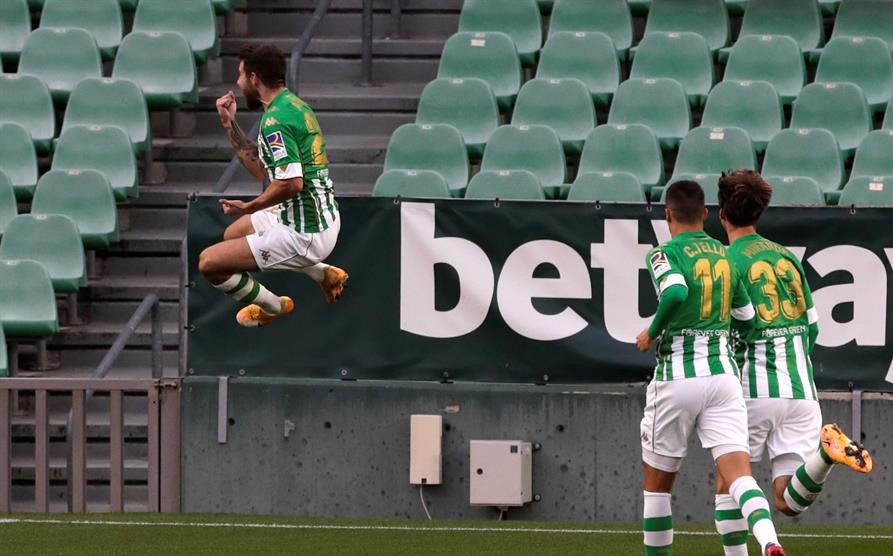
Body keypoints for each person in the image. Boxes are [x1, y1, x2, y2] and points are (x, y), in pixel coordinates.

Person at [713, 170, 872, 556]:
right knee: (786, 500)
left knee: (728, 483)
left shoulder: (726, 261)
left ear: (721, 214)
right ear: (759, 213)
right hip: (801, 391)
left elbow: (728, 330)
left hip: (753, 389)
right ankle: (825, 455)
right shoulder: (786, 258)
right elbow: (813, 328)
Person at [636, 180, 787, 556]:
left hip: (677, 377)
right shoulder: (725, 256)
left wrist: (651, 333)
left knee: (657, 490)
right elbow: (749, 318)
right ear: (705, 215)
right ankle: (769, 541)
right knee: (739, 475)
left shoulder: (663, 253)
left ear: (667, 214)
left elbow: (674, 291)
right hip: (723, 377)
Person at [198, 44, 348, 327]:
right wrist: (230, 124)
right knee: (233, 235)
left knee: (209, 263)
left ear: (254, 78)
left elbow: (291, 183)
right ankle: (321, 273)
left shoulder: (275, 122)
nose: (238, 83)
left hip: (306, 233)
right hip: (318, 214)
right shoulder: (292, 105)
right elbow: (259, 170)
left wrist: (250, 206)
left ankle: (273, 306)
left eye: (241, 76)